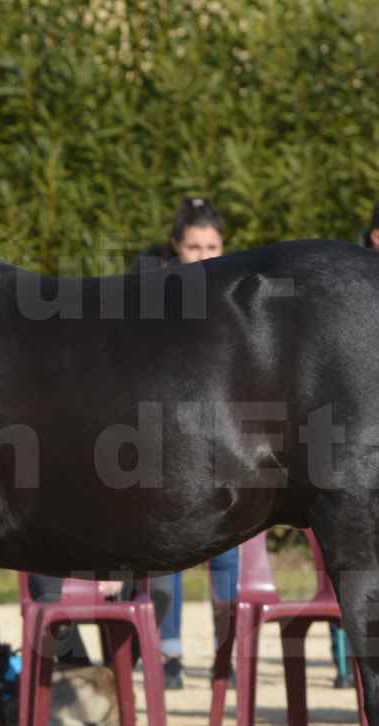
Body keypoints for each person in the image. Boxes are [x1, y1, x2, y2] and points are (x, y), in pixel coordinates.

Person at [131, 195, 239, 688]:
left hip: (225, 437)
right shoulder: (153, 294)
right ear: (176, 247)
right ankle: (167, 653)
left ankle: (226, 654)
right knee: (167, 546)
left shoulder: (236, 294)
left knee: (229, 551)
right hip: (167, 437)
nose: (204, 258)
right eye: (194, 247)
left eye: (213, 247)